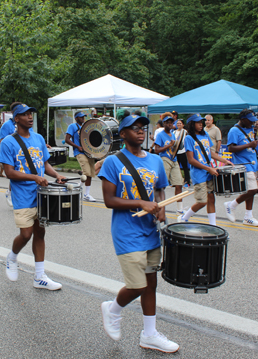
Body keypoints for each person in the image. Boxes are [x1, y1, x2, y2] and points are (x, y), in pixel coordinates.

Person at [98, 114, 179, 353]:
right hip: (126, 232)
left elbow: (159, 190)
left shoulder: (155, 160)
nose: (141, 131)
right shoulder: (113, 162)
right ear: (122, 134)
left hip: (150, 232)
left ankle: (150, 334)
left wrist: (160, 209)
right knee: (138, 286)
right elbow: (109, 200)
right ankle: (112, 309)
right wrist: (141, 204)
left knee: (151, 284)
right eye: (134, 128)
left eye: (143, 127)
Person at [0, 102, 66, 290]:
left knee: (40, 232)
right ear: (16, 118)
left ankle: (40, 277)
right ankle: (12, 257)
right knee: (26, 234)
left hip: (41, 195)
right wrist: (34, 177)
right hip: (22, 196)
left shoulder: (38, 138)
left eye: (31, 114)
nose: (30, 117)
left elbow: (45, 164)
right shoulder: (8, 143)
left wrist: (56, 175)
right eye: (25, 114)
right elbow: (9, 172)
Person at [177, 114, 232, 224]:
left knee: (211, 199)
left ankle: (213, 225)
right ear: (192, 124)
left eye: (201, 122)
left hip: (208, 171)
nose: (201, 124)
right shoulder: (189, 138)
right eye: (198, 122)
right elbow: (191, 160)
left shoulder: (205, 134)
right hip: (199, 173)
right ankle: (184, 217)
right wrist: (208, 168)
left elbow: (209, 152)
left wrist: (224, 160)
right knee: (202, 201)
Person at [224, 109, 258, 226]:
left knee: (252, 191)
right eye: (250, 121)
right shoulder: (234, 131)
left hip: (252, 163)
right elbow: (230, 148)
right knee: (253, 190)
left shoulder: (250, 128)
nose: (252, 123)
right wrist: (249, 145)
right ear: (243, 119)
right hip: (243, 164)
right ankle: (231, 205)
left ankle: (248, 216)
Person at [154, 115, 184, 214]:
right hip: (165, 159)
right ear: (164, 124)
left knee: (179, 184)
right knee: (162, 185)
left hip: (174, 159)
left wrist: (178, 145)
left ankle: (180, 209)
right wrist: (169, 145)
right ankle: (158, 206)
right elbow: (156, 150)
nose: (170, 124)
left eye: (171, 122)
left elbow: (175, 146)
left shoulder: (173, 134)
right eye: (167, 122)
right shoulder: (160, 135)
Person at [65, 111, 97, 201]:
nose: (83, 118)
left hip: (88, 153)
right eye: (81, 117)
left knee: (90, 174)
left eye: (83, 116)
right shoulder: (73, 126)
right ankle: (80, 192)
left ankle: (86, 194)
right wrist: (77, 146)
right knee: (86, 172)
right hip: (79, 152)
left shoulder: (85, 126)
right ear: (76, 118)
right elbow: (67, 139)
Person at [174, 119, 191, 187]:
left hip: (183, 151)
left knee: (185, 167)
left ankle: (187, 181)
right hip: (176, 152)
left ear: (183, 125)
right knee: (176, 167)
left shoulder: (185, 132)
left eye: (180, 123)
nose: (179, 125)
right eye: (178, 123)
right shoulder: (174, 132)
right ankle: (177, 181)